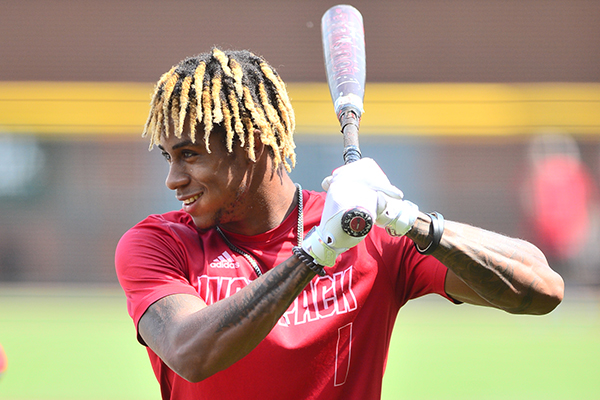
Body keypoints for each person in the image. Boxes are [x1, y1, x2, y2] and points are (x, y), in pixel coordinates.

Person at [115, 48, 564, 400]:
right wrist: (316, 251)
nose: (173, 179)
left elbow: (541, 289)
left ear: (252, 142)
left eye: (190, 155)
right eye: (169, 157)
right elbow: (190, 353)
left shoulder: (371, 235)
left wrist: (412, 222)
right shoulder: (158, 244)